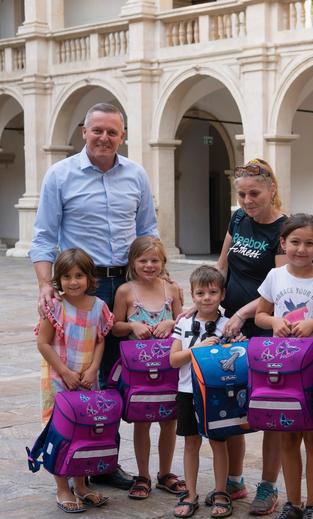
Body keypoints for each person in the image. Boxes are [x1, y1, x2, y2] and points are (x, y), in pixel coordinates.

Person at [30, 102, 158, 489]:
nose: (104, 137)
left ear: (122, 136)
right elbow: (43, 238)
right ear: (84, 130)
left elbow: (147, 230)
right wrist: (44, 284)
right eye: (97, 130)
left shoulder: (136, 174)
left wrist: (156, 283)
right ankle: (71, 457)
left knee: (114, 376)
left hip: (123, 286)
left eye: (113, 132)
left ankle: (101, 457)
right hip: (78, 289)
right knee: (72, 375)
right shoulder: (60, 174)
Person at [254, 214, 313, 519]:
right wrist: (275, 321)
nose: (301, 249)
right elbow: (260, 315)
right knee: (287, 436)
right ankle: (291, 502)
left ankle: (312, 505)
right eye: (295, 242)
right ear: (283, 243)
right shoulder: (276, 276)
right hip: (282, 370)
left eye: (309, 243)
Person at [216, 158, 288, 515]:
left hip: (263, 326)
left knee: (268, 408)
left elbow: (278, 288)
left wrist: (245, 313)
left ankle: (269, 484)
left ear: (272, 189)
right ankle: (234, 479)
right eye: (242, 194)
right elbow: (223, 265)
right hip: (229, 325)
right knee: (230, 402)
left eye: (254, 193)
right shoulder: (238, 219)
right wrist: (207, 303)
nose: (247, 200)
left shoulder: (283, 229)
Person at [36, 248, 112, 513]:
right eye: (67, 276)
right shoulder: (56, 307)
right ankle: (62, 487)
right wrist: (65, 372)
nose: (73, 281)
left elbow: (101, 340)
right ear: (59, 279)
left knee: (84, 431)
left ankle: (80, 485)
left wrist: (93, 370)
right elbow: (43, 343)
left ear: (90, 277)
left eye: (79, 275)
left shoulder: (99, 307)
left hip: (88, 382)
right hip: (60, 380)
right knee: (61, 433)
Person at [111, 236, 185, 500]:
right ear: (133, 262)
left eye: (155, 260)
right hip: (139, 373)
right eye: (143, 260)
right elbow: (115, 326)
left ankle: (165, 473)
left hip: (168, 369)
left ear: (163, 262)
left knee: (169, 421)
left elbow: (184, 322)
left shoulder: (171, 289)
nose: (149, 265)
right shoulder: (125, 291)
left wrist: (173, 324)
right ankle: (143, 475)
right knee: (141, 422)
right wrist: (132, 326)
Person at [170, 265, 245, 518]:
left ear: (222, 294)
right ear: (193, 295)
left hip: (217, 392)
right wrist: (198, 349)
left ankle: (222, 491)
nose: (206, 298)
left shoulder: (228, 324)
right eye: (200, 293)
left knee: (218, 441)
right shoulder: (183, 324)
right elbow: (174, 360)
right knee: (191, 442)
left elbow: (237, 357)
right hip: (186, 390)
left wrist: (238, 345)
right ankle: (190, 493)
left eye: (213, 292)